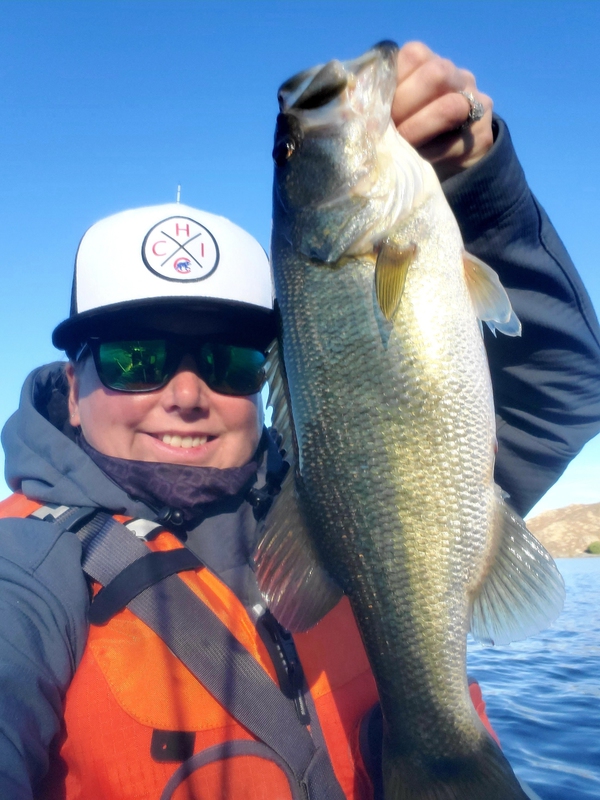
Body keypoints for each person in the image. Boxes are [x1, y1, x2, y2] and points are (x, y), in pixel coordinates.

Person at [0, 41, 599, 800]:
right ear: (71, 386)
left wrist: (480, 182)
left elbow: (563, 387)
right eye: (134, 357)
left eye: (229, 361)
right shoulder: (24, 570)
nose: (185, 393)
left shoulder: (336, 487)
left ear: (267, 376)